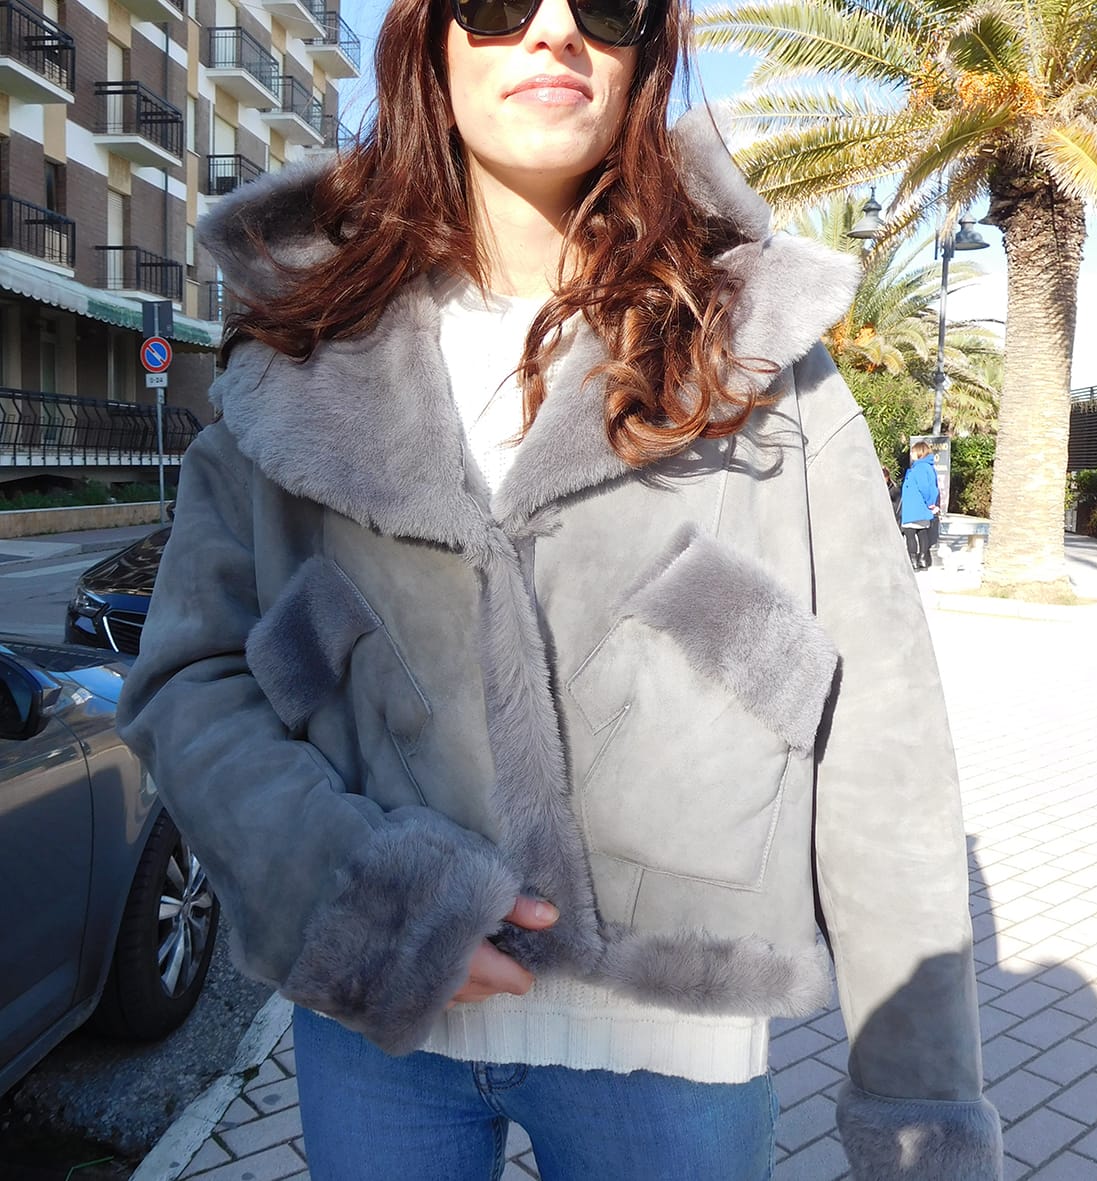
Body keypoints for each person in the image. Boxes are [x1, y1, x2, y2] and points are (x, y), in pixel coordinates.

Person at [116, 0, 1002, 1177]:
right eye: (495, 4)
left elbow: (883, 734)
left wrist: (920, 1106)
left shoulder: (749, 341)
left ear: (645, 50)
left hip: (671, 1045)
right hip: (385, 1035)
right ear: (428, 40)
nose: (550, 32)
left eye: (604, 4)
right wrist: (360, 904)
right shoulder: (300, 344)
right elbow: (189, 682)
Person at [901, 441, 941, 570]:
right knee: (922, 531)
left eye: (913, 452)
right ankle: (923, 559)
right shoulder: (927, 467)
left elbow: (925, 487)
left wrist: (929, 503)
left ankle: (913, 560)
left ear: (919, 452)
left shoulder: (919, 468)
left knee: (910, 532)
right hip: (921, 506)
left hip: (914, 505)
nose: (911, 454)